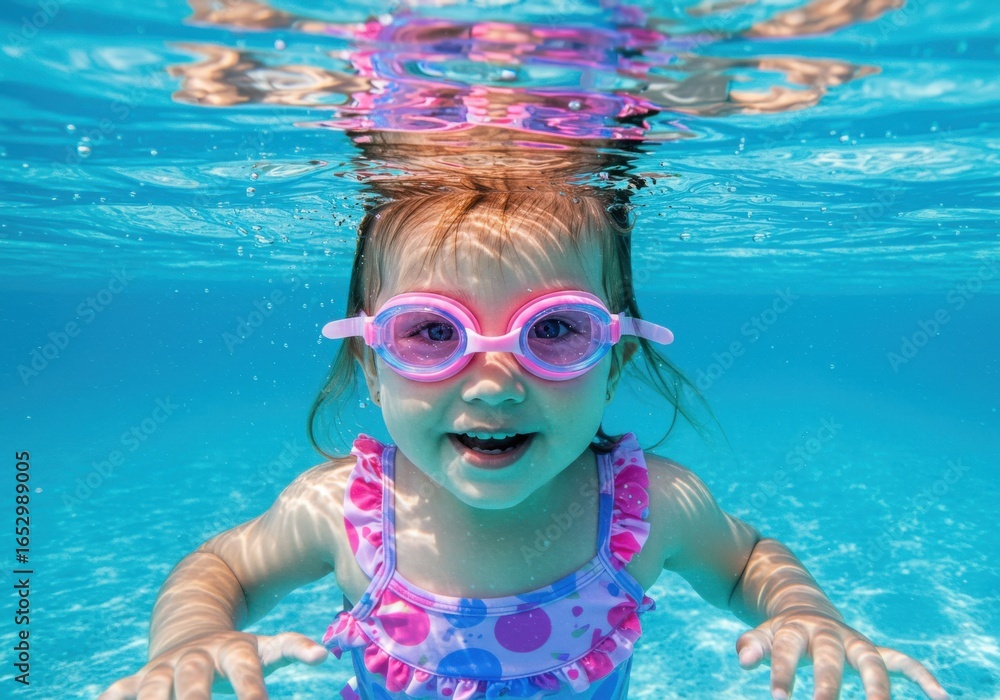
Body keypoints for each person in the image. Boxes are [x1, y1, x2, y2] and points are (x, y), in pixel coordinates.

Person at [99, 164, 949, 699]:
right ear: (370, 361)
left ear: (614, 360)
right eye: (431, 332)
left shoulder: (648, 506)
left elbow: (751, 561)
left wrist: (808, 614)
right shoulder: (344, 511)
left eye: (555, 330)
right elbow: (221, 568)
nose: (497, 381)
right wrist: (192, 637)